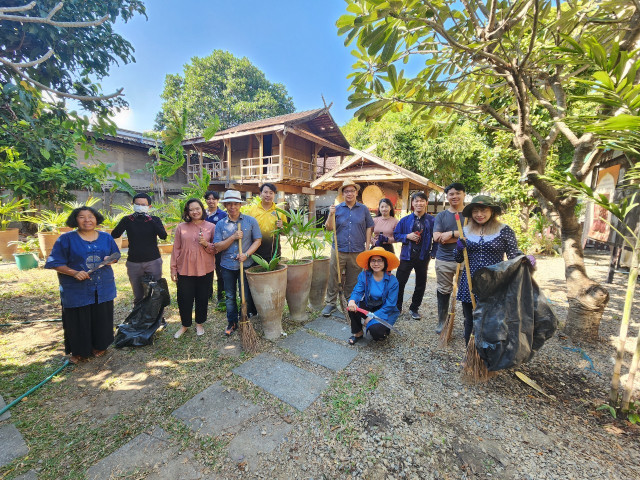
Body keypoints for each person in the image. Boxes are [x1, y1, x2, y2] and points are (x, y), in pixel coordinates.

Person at [455, 195, 535, 345]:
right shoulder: (465, 231)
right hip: (470, 283)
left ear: (492, 211)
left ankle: (489, 358)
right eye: (476, 211)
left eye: (483, 210)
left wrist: (524, 258)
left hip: (494, 283)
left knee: (492, 321)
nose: (479, 214)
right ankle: (470, 355)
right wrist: (459, 249)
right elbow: (458, 259)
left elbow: (512, 256)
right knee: (470, 320)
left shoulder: (504, 231)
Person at [45, 206, 120, 364]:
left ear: (96, 218)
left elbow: (116, 254)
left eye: (91, 216)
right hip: (76, 289)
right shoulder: (66, 239)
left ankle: (100, 345)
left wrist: (111, 258)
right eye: (82, 217)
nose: (87, 220)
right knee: (78, 319)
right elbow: (54, 262)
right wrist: (73, 272)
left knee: (102, 316)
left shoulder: (106, 237)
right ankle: (80, 351)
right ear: (75, 220)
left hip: (103, 286)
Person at [213, 190, 262, 336]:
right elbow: (217, 246)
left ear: (240, 205)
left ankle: (244, 319)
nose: (232, 206)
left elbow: (257, 240)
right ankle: (232, 322)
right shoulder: (221, 224)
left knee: (245, 294)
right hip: (227, 266)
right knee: (229, 296)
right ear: (225, 205)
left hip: (246, 265)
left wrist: (246, 254)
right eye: (229, 204)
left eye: (235, 203)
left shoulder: (250, 221)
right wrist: (233, 237)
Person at [322, 179, 374, 317]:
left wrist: (367, 246)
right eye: (346, 191)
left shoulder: (363, 209)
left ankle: (349, 301)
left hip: (357, 249)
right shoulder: (336, 209)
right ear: (342, 194)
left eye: (352, 191)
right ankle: (331, 303)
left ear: (356, 193)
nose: (349, 193)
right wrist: (331, 214)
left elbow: (369, 226)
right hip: (339, 249)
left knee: (353, 278)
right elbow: (329, 228)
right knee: (333, 277)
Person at [171, 199, 217, 338]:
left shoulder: (211, 226)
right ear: (187, 212)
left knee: (202, 297)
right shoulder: (181, 227)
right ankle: (185, 325)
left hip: (205, 268)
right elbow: (176, 249)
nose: (195, 212)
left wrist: (205, 244)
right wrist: (173, 269)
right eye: (191, 210)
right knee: (184, 298)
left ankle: (199, 323)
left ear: (202, 209)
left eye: (197, 208)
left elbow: (216, 249)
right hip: (185, 269)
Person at [111, 193, 167, 305]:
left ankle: (157, 319)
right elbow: (115, 234)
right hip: (134, 262)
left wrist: (150, 220)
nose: (140, 206)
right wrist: (126, 221)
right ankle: (139, 318)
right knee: (138, 294)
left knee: (155, 292)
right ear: (133, 204)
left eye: (143, 204)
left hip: (153, 261)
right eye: (137, 204)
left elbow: (163, 236)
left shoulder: (155, 219)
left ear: (149, 207)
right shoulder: (127, 220)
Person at [393, 192, 438, 319]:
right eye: (416, 201)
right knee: (400, 282)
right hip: (407, 256)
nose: (419, 203)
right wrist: (407, 236)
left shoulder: (432, 220)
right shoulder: (405, 220)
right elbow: (396, 235)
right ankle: (397, 307)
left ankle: (414, 308)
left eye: (422, 201)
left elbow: (437, 238)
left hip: (423, 256)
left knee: (420, 284)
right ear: (412, 203)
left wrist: (433, 253)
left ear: (426, 203)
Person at [347, 247, 401, 344]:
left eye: (379, 261)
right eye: (373, 260)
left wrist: (372, 316)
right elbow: (357, 291)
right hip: (370, 305)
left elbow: (390, 304)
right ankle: (358, 333)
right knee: (352, 307)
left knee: (376, 332)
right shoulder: (364, 275)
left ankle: (384, 327)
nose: (376, 264)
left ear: (385, 262)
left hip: (385, 310)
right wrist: (352, 301)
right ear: (369, 262)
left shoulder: (393, 281)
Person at [432, 182, 466, 333]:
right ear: (447, 196)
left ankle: (468, 322)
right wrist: (461, 236)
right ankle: (442, 321)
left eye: (458, 193)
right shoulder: (442, 215)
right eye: (451, 194)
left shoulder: (470, 215)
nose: (454, 196)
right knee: (443, 290)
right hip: (444, 259)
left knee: (466, 290)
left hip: (465, 259)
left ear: (464, 194)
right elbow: (437, 237)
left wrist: (451, 234)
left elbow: (472, 234)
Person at [245, 183, 285, 261]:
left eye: (271, 193)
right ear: (260, 194)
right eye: (265, 192)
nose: (268, 195)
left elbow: (284, 232)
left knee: (273, 272)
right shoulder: (252, 210)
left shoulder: (279, 212)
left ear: (274, 195)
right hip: (255, 249)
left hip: (273, 251)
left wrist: (282, 227)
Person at [204, 191, 228, 308]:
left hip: (219, 249)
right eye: (208, 199)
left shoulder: (223, 215)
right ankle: (207, 294)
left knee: (220, 273)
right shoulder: (202, 214)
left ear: (218, 200)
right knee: (206, 272)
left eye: (214, 199)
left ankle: (221, 297)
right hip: (205, 249)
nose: (211, 201)